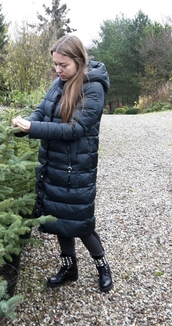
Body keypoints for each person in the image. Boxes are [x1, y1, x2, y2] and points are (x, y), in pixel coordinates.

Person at [12, 35, 113, 292]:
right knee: (59, 220)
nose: (58, 70)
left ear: (78, 61)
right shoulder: (59, 83)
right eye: (55, 65)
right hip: (53, 164)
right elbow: (42, 109)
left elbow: (74, 129)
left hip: (76, 168)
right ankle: (69, 267)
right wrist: (25, 124)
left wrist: (34, 128)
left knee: (81, 222)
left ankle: (102, 266)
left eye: (63, 65)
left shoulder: (93, 87)